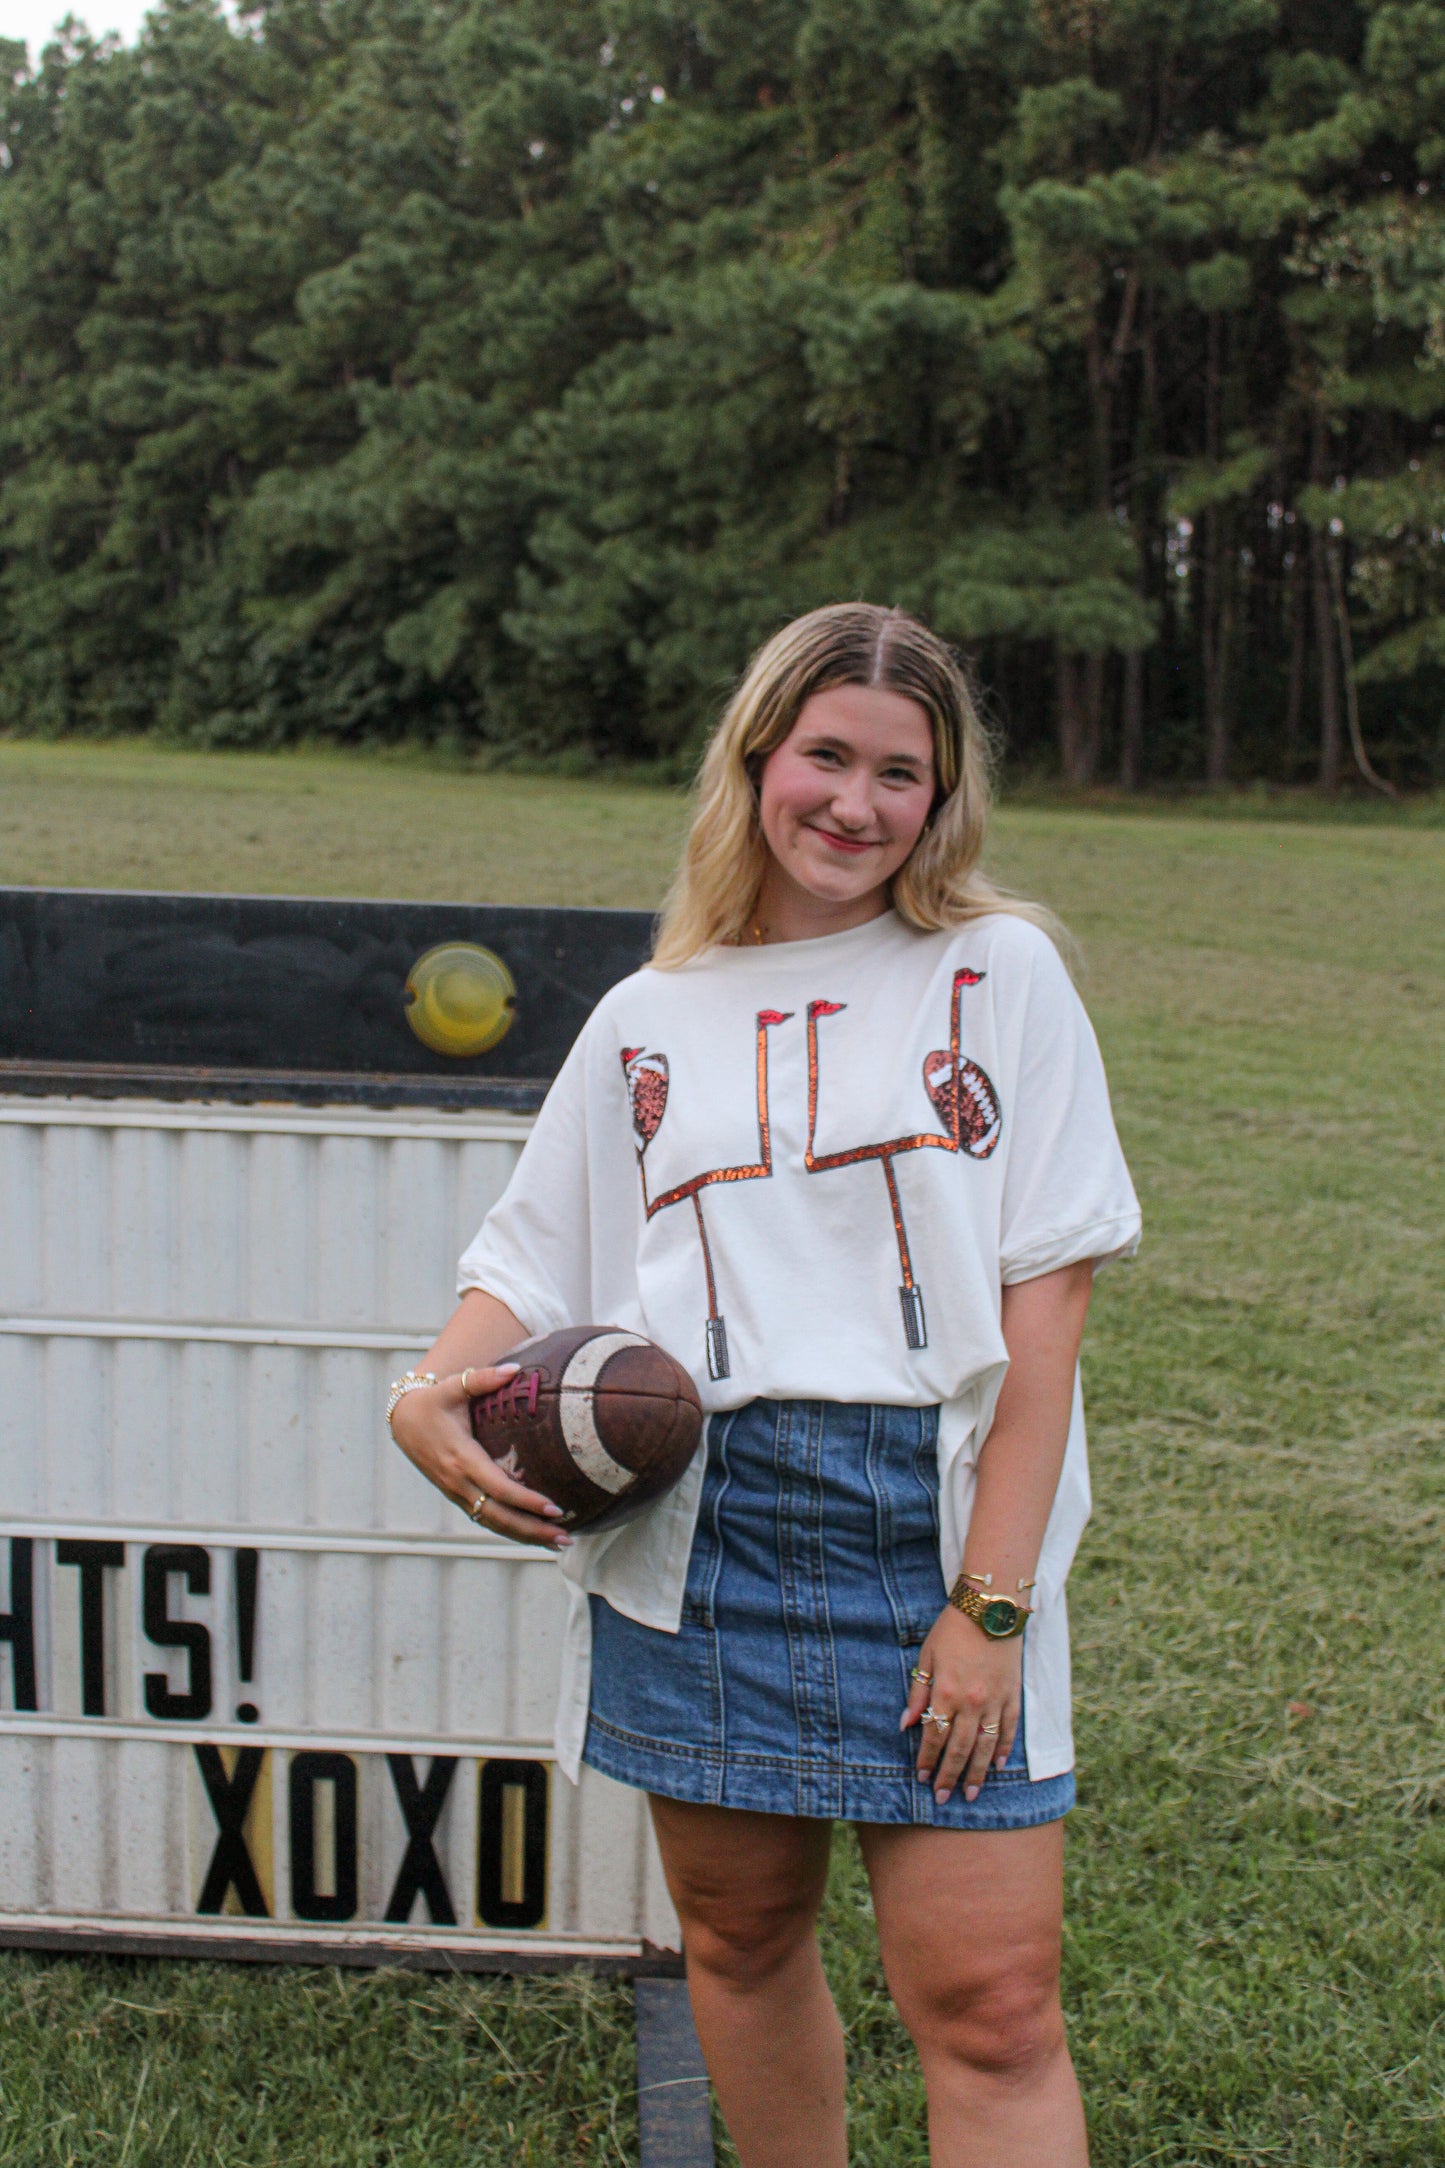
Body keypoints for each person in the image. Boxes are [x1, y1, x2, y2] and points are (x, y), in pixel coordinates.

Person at [388, 603, 1140, 2167]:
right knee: (734, 1945)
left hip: (929, 1532)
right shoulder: (649, 1017)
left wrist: (989, 1608)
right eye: (824, 756)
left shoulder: (995, 975)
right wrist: (426, 1392)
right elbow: (533, 1256)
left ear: (943, 800)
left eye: (899, 773)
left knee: (993, 2005)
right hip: (698, 1536)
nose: (854, 805)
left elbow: (1046, 1304)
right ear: (756, 758)